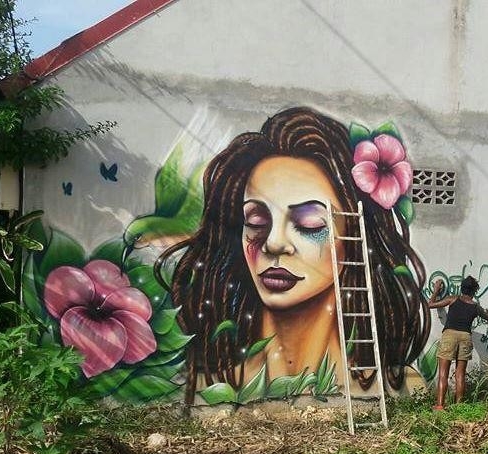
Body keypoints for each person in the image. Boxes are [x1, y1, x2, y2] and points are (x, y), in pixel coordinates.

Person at [157, 107, 430, 405]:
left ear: (354, 238)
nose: (274, 243)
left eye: (309, 225)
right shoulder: (206, 386)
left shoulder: (401, 386)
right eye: (256, 221)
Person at [427, 276, 488, 410]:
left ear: (461, 288)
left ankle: (440, 405)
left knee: (443, 374)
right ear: (474, 291)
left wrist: (436, 290)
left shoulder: (453, 299)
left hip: (450, 335)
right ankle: (459, 407)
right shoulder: (476, 307)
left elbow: (430, 304)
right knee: (460, 375)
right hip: (465, 337)